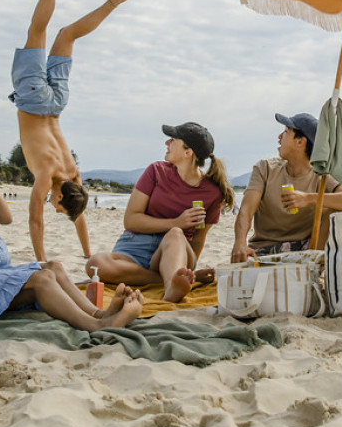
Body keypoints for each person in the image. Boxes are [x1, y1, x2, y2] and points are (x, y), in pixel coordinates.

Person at [0, 108, 142, 330]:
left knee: (54, 267)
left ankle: (99, 314)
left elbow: (5, 217)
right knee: (42, 280)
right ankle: (96, 326)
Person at [11, 0, 129, 263]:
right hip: (34, 101)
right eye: (57, 205)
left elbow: (79, 214)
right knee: (37, 33)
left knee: (67, 35)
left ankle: (114, 0)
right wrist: (42, 260)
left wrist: (89, 254)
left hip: (57, 104)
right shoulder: (48, 173)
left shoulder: (74, 175)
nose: (54, 206)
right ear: (61, 196)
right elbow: (35, 220)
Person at [87, 123, 235, 302]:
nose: (167, 143)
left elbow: (197, 240)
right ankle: (168, 279)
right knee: (95, 264)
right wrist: (175, 222)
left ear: (188, 153)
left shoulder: (212, 192)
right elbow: (131, 220)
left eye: (173, 140)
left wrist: (178, 235)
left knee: (175, 234)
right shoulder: (156, 171)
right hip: (135, 248)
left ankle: (172, 284)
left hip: (175, 250)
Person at [231, 112, 342, 262]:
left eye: (285, 132)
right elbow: (246, 210)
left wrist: (309, 199)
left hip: (307, 252)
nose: (279, 137)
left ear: (300, 142)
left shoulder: (323, 176)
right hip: (265, 249)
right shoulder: (265, 168)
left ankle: (317, 266)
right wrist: (240, 243)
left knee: (340, 206)